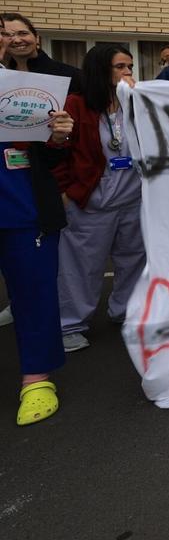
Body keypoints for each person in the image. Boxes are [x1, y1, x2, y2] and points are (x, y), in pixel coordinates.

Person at [53, 45, 146, 353]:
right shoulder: (76, 105)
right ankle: (70, 323)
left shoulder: (136, 104)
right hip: (92, 200)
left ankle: (126, 312)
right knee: (81, 265)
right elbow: (57, 150)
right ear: (100, 70)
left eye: (130, 67)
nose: (128, 73)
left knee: (133, 260)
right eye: (120, 67)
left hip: (132, 198)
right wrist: (66, 190)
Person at [0, 93, 73, 424]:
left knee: (34, 297)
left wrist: (57, 138)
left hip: (23, 210)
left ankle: (36, 378)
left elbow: (52, 157)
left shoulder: (23, 90)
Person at [0, 12, 80, 90]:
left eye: (23, 33)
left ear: (37, 38)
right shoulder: (3, 75)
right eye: (6, 35)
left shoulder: (72, 76)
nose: (17, 40)